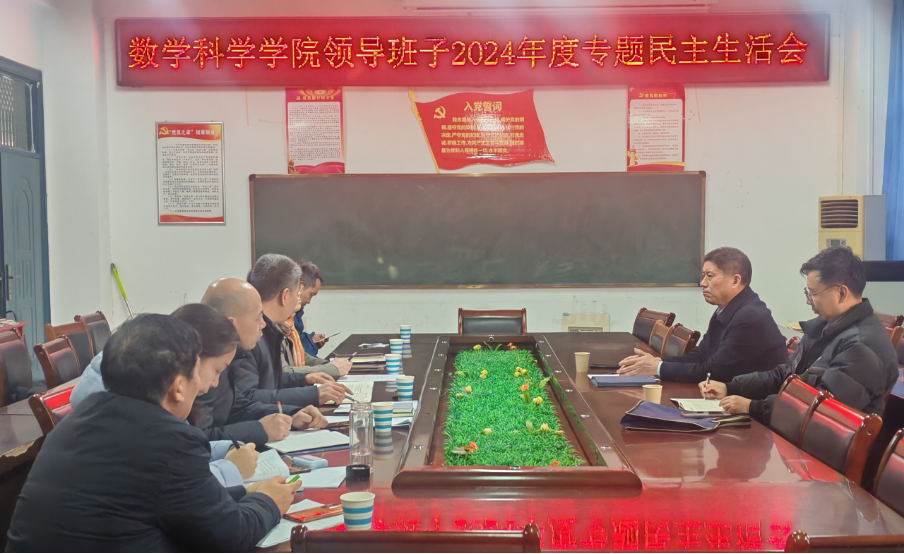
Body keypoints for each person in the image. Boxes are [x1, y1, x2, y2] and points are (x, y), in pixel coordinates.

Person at [6, 314, 301, 552]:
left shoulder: (80, 418)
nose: (207, 385)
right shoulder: (169, 441)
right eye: (198, 372)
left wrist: (243, 493)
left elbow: (180, 507)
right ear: (178, 387)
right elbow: (232, 536)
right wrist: (269, 502)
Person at [702, 247, 899, 424]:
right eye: (807, 292)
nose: (807, 301)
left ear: (841, 293)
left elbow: (821, 411)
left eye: (813, 293)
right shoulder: (824, 326)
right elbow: (785, 374)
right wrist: (731, 388)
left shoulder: (863, 347)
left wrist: (752, 406)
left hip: (820, 446)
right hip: (795, 432)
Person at [70, 303, 259, 486]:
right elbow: (175, 478)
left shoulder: (140, 383)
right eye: (218, 370)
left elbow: (182, 450)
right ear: (191, 358)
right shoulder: (133, 405)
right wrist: (231, 469)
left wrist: (226, 450)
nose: (216, 382)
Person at [618, 247, 787, 383]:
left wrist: (657, 368)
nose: (702, 283)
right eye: (703, 276)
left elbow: (714, 371)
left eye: (710, 276)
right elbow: (700, 356)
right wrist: (658, 362)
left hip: (753, 405)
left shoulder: (750, 317)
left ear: (735, 281)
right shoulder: (725, 309)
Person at [192, 278, 327, 446]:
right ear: (230, 323)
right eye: (258, 318)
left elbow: (238, 407)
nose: (263, 324)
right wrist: (260, 430)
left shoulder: (227, 354)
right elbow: (197, 439)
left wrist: (291, 415)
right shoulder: (201, 361)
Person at [235, 254, 351, 408]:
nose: (298, 301)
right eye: (297, 294)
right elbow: (248, 397)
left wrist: (304, 379)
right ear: (284, 296)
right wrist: (312, 395)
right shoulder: (250, 335)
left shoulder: (271, 330)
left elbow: (271, 380)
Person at [282, 260, 351, 379]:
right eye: (311, 294)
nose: (308, 301)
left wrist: (328, 365)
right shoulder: (273, 327)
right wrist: (330, 369)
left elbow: (298, 353)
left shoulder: (288, 322)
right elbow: (285, 374)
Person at [293, 260, 330, 358]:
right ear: (300, 286)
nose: (309, 301)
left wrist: (311, 340)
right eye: (311, 295)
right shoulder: (283, 317)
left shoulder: (297, 313)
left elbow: (297, 339)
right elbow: (294, 352)